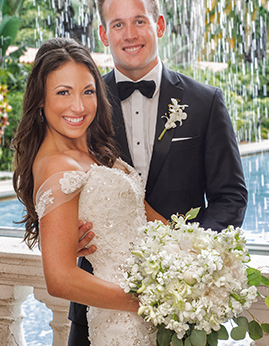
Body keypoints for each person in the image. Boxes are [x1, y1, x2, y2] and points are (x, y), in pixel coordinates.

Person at [68, 0, 249, 345]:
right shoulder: (81, 106)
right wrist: (64, 234)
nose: (129, 34)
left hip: (181, 308)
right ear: (104, 34)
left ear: (159, 25)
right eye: (117, 24)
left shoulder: (205, 102)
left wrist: (187, 258)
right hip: (96, 301)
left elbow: (230, 198)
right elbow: (56, 183)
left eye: (139, 21)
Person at [14, 38, 166, 345]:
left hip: (153, 307)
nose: (78, 106)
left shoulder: (96, 151)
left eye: (88, 91)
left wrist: (199, 263)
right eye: (63, 93)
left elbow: (151, 223)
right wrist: (147, 303)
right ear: (40, 100)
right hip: (123, 320)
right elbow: (60, 280)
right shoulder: (57, 166)